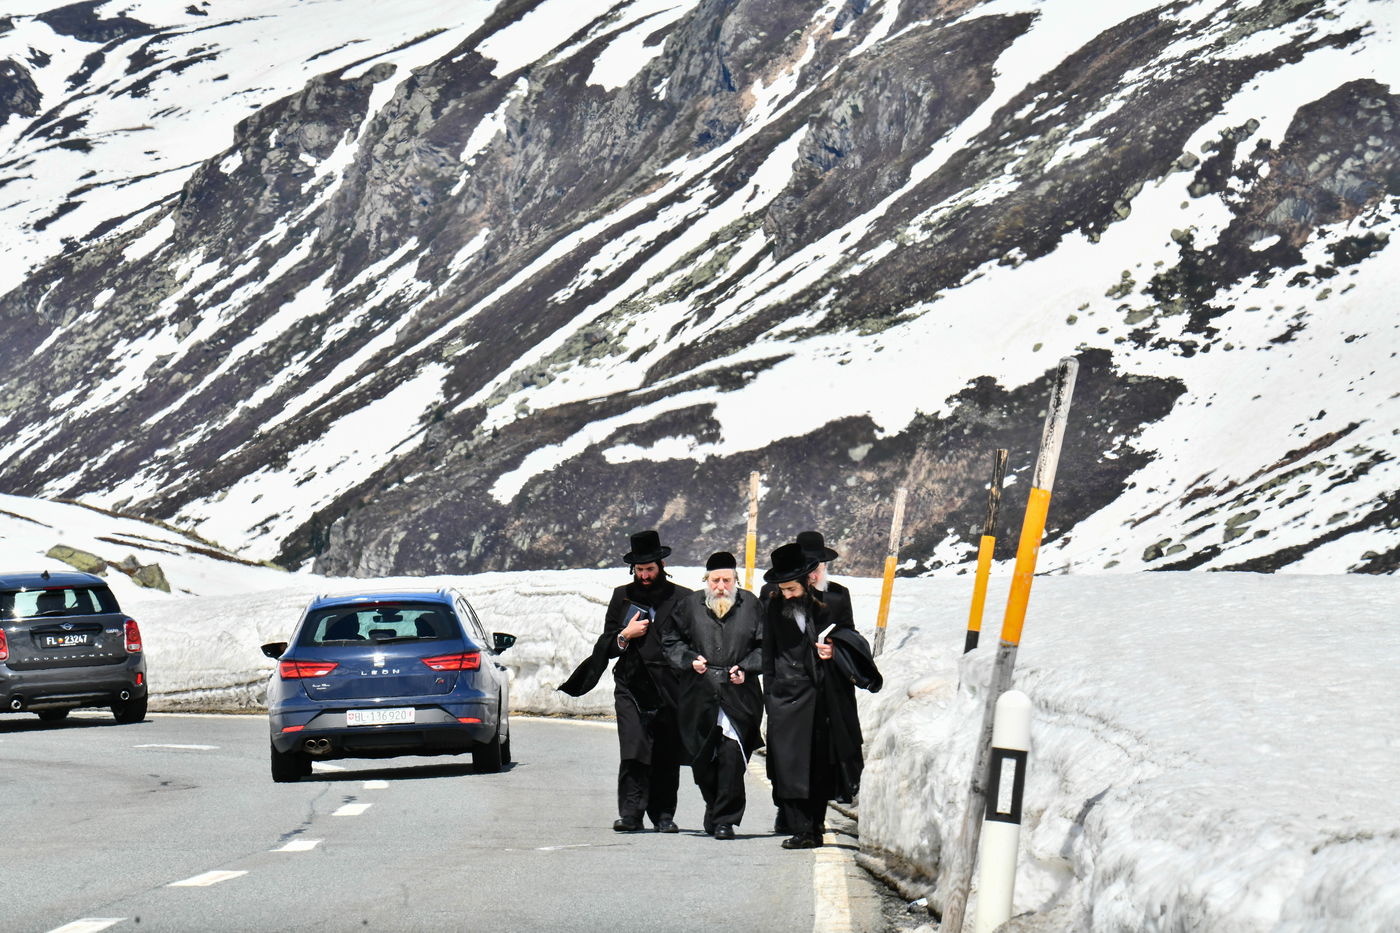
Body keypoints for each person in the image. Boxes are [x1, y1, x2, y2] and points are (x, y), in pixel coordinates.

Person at [559, 530, 691, 833]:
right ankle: (631, 813)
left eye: (649, 569)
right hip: (631, 684)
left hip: (669, 686)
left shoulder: (681, 598)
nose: (644, 575)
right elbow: (606, 641)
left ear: (661, 566)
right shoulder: (623, 596)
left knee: (665, 752)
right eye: (639, 570)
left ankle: (663, 815)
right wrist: (624, 636)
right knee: (634, 748)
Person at [761, 542, 879, 849]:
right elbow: (769, 653)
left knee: (817, 766)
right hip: (786, 695)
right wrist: (770, 698)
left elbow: (850, 635)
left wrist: (835, 649)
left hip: (825, 695)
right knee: (788, 766)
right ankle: (801, 827)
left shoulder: (835, 600)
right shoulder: (774, 605)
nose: (785, 594)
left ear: (806, 580)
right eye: (782, 588)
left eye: (790, 588)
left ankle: (812, 829)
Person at [662, 551, 764, 841]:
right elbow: (670, 640)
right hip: (700, 693)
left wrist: (747, 668)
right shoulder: (690, 605)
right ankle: (714, 804)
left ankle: (725, 821)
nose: (721, 586)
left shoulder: (751, 605)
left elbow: (766, 645)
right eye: (715, 580)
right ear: (706, 580)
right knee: (703, 761)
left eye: (727, 580)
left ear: (736, 580)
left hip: (738, 694)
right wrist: (689, 659)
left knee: (732, 758)